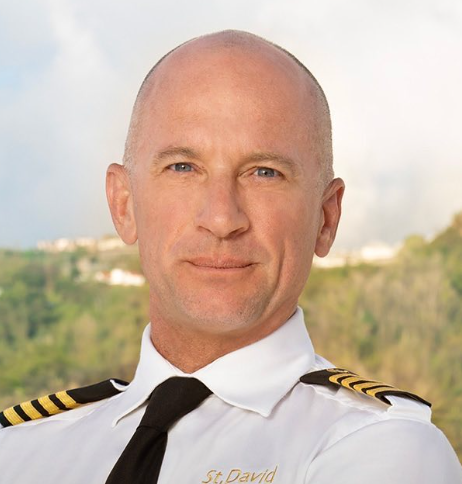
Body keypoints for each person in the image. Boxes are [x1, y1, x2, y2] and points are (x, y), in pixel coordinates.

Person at [0, 30, 461, 484]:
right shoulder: (17, 450)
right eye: (183, 167)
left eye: (265, 172)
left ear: (325, 217)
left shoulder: (382, 448)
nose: (222, 218)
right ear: (124, 205)